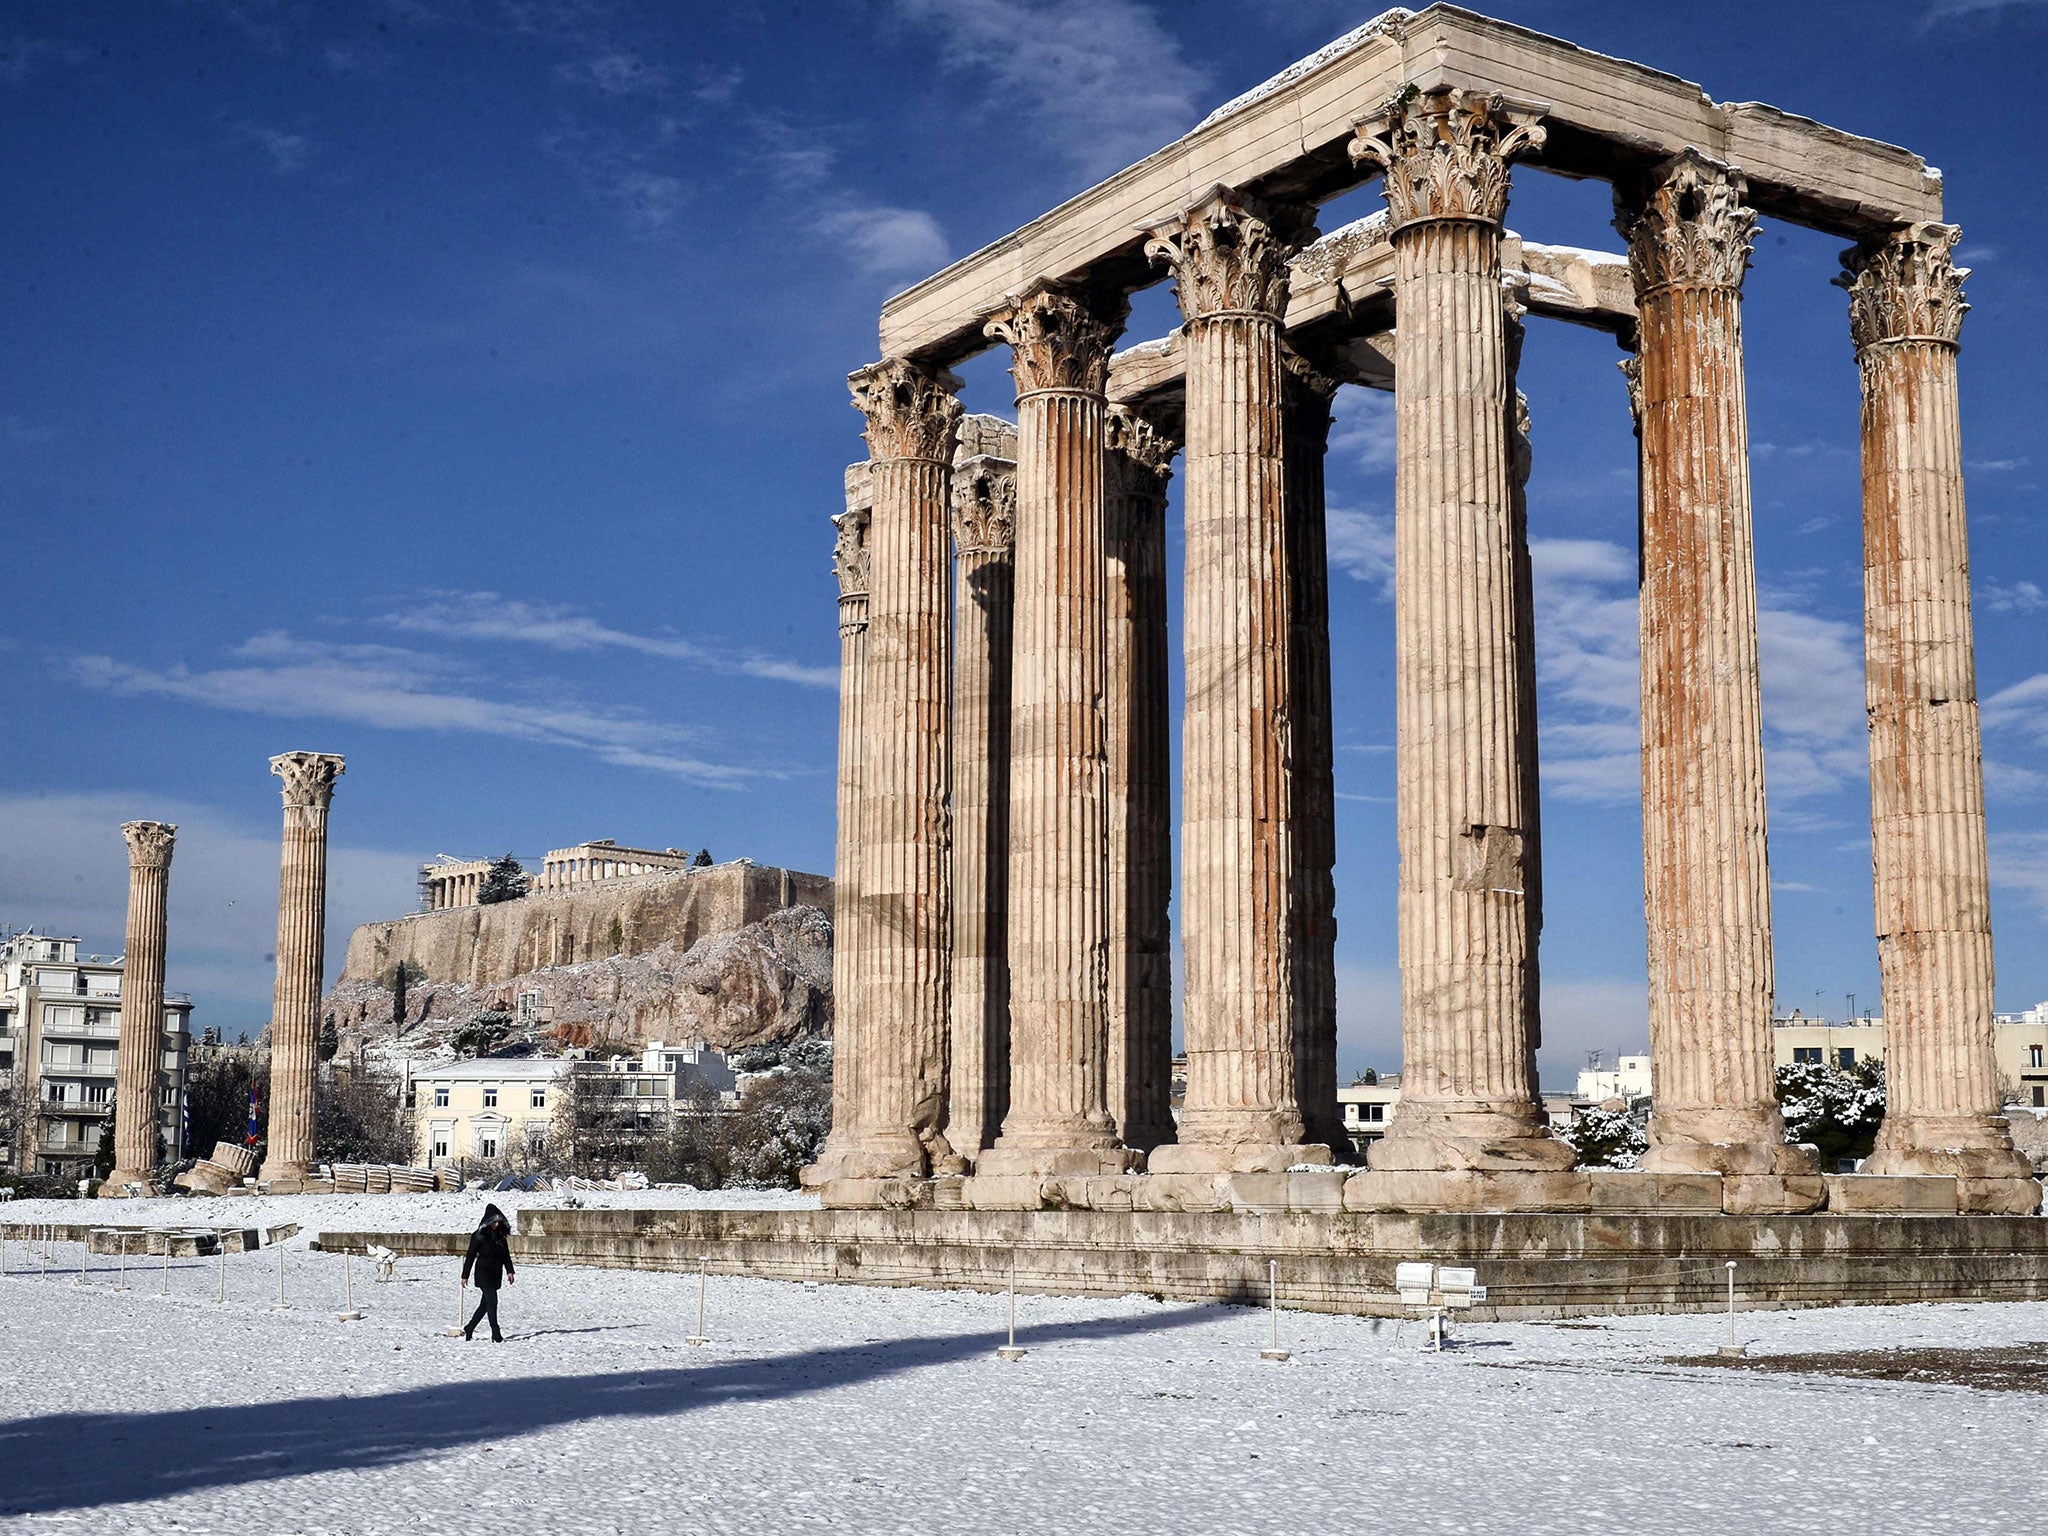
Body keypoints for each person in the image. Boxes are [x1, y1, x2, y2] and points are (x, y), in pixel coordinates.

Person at [461, 1203, 516, 1342]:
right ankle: (495, 1333)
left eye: (498, 1222)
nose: (496, 1224)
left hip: (495, 1273)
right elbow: (471, 1255)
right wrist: (465, 1276)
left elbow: (505, 1255)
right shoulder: (479, 1235)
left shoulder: (501, 1236)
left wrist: (510, 1271)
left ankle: (470, 1327)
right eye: (494, 1222)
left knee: (485, 1305)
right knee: (493, 1301)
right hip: (483, 1272)